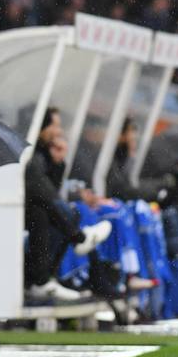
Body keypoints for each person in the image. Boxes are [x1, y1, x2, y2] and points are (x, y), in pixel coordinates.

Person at [25, 107, 111, 302]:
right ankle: (79, 238)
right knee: (46, 213)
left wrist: (57, 163)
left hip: (36, 209)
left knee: (54, 213)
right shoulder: (31, 154)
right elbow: (41, 190)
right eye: (54, 126)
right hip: (22, 210)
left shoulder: (43, 154)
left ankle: (45, 280)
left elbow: (52, 190)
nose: (58, 132)